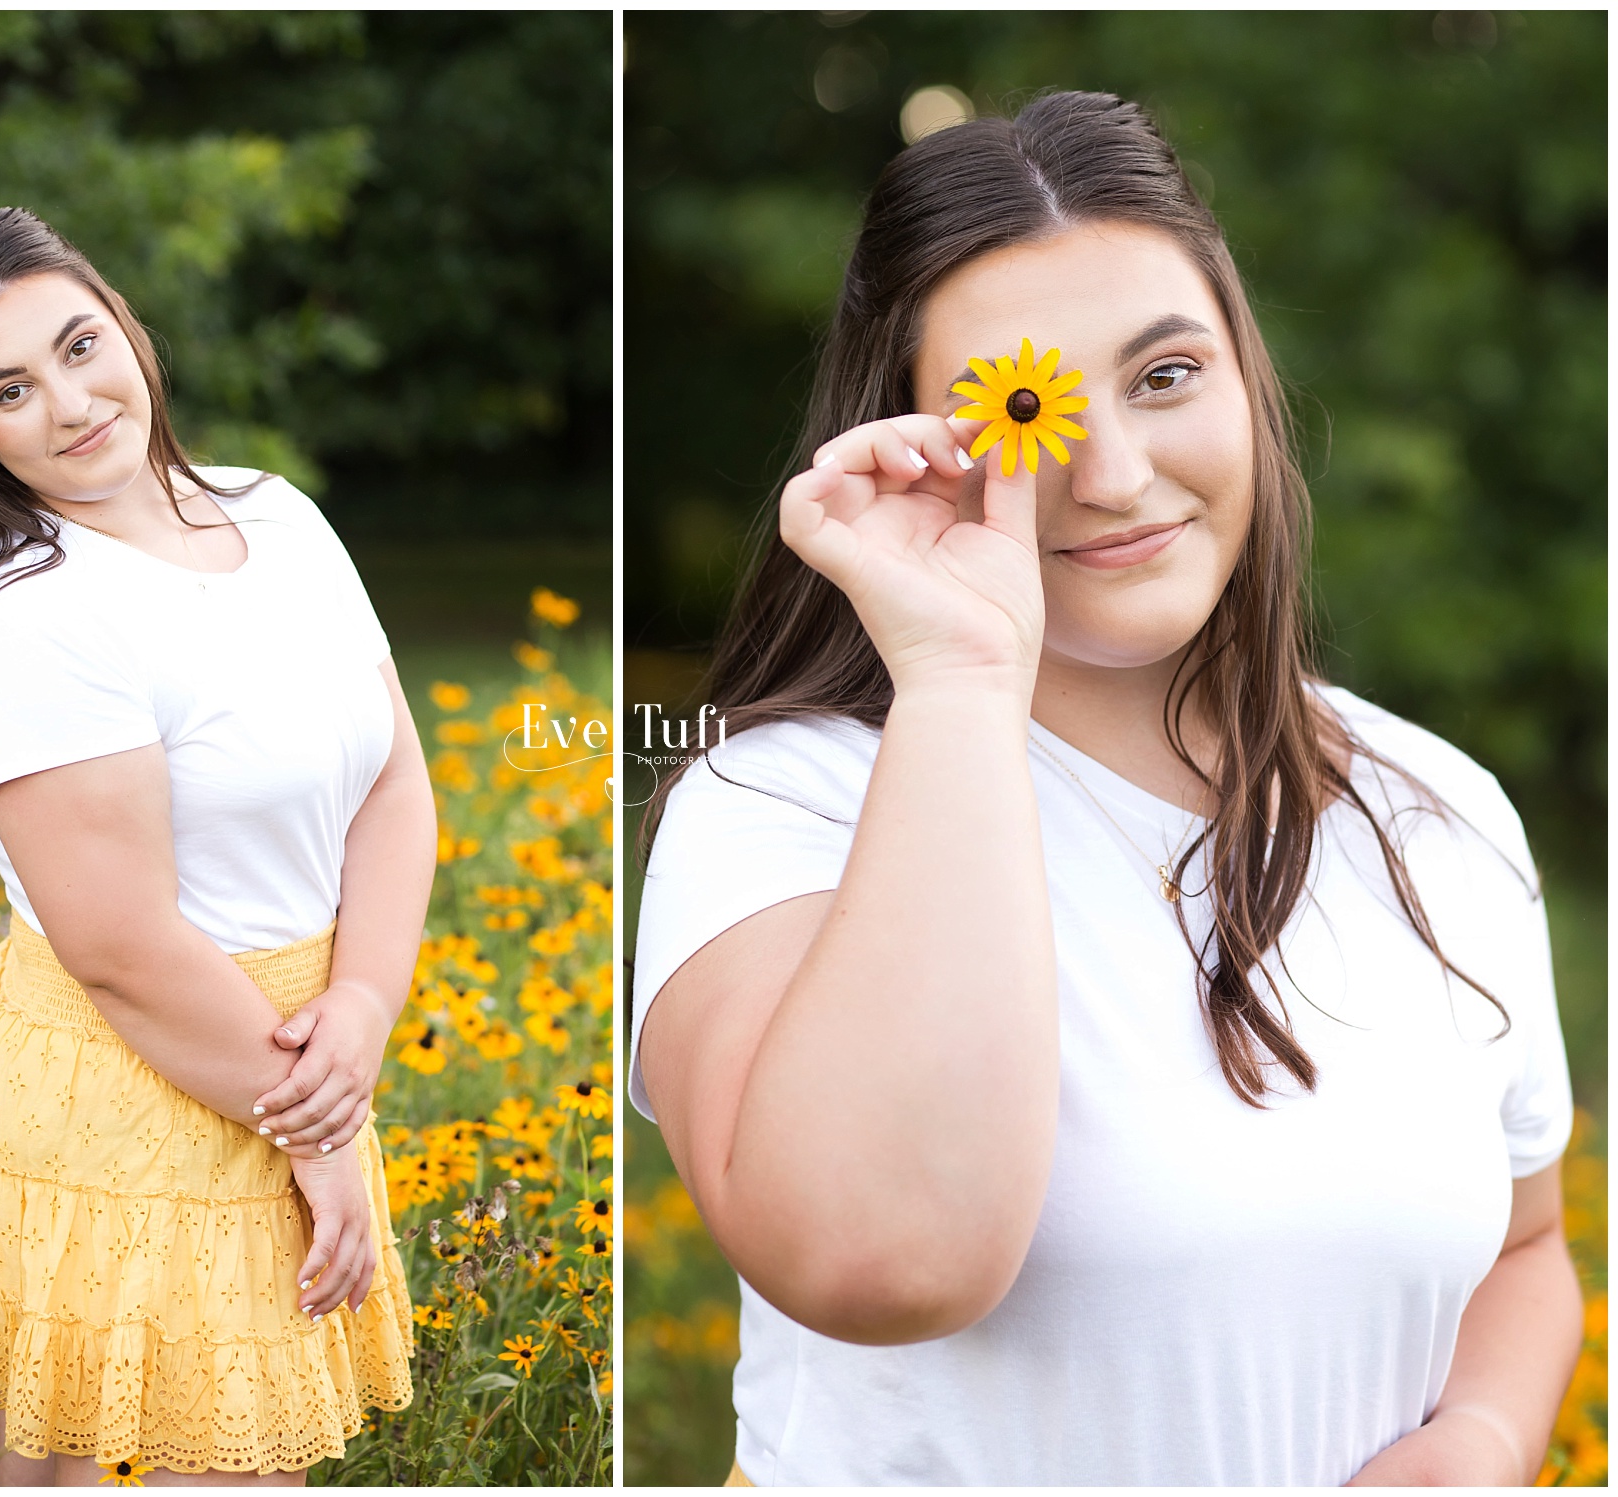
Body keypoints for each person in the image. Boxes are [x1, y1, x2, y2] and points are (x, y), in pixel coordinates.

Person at [628, 92, 1580, 1487]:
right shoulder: (783, 808)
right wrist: (959, 675)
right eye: (1025, 410)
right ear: (913, 447)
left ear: (1246, 376)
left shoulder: (1438, 806)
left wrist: (1483, 1440)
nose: (1117, 474)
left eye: (1165, 376)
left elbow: (1525, 1245)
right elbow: (878, 1257)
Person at [0, 207, 435, 1485]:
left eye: (81, 345)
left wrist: (360, 1003)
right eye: (10, 390)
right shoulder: (36, 617)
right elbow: (123, 949)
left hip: (290, 1062)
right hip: (130, 1086)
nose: (71, 402)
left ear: (126, 324)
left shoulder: (276, 516)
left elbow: (394, 784)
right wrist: (323, 1131)